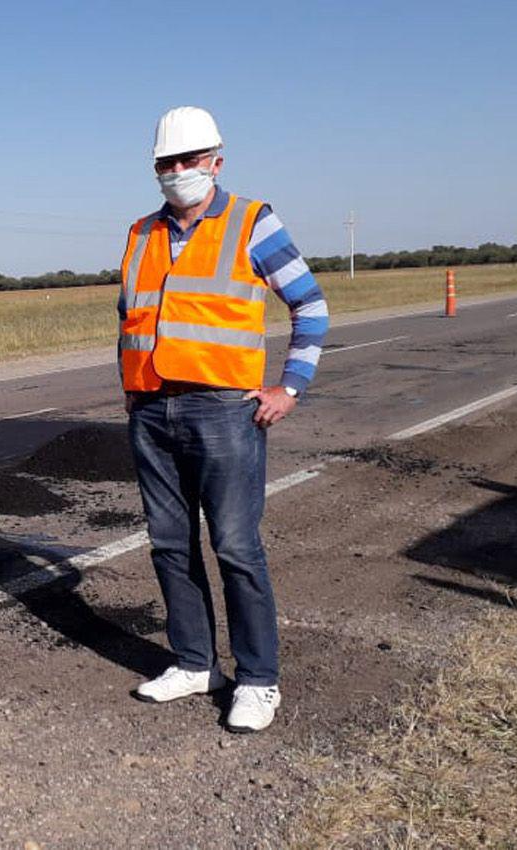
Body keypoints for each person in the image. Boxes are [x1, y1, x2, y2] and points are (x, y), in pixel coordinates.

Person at [117, 106, 329, 733]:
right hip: (153, 409)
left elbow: (310, 306)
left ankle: (258, 680)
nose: (177, 171)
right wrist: (130, 390)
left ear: (216, 160)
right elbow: (130, 316)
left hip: (224, 411)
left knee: (236, 547)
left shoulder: (251, 222)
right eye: (167, 162)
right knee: (168, 544)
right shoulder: (140, 232)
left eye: (188, 160)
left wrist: (290, 386)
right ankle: (194, 663)